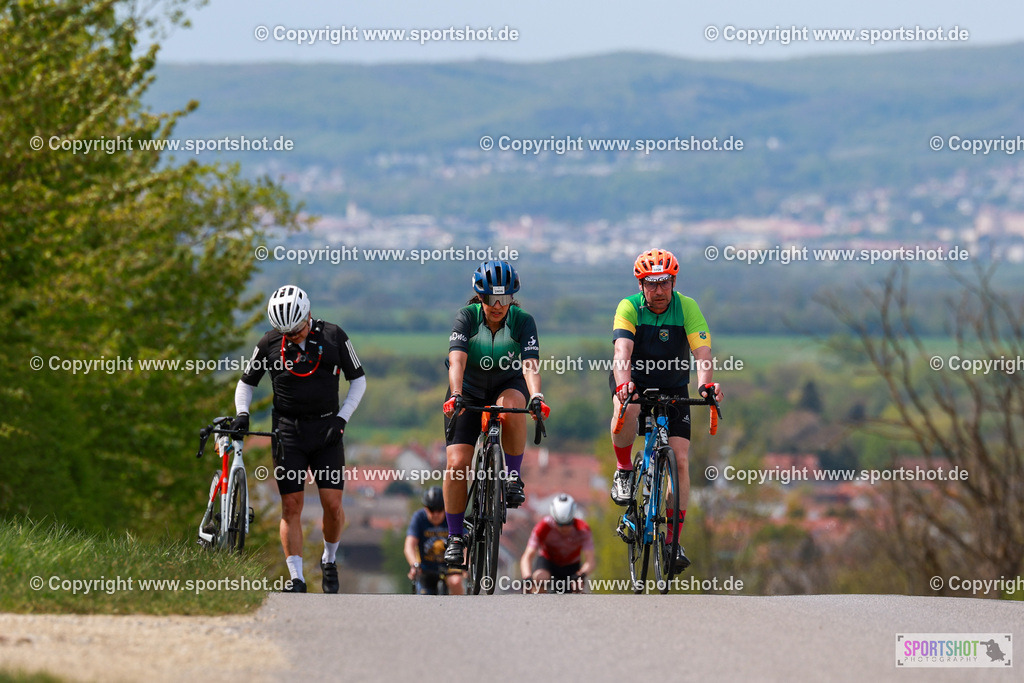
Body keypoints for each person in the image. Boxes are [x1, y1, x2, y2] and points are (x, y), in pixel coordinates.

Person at [232, 285, 366, 593]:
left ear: (308, 315)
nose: (293, 337)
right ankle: (297, 578)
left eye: (297, 331)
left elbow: (358, 380)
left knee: (332, 504)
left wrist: (341, 418)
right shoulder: (269, 342)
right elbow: (246, 384)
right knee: (291, 505)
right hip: (288, 432)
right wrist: (243, 413)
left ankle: (329, 559)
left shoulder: (334, 336)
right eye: (287, 334)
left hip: (326, 431)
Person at [608, 249, 723, 573]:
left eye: (664, 284)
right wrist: (623, 386)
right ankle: (624, 470)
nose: (658, 291)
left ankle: (672, 543)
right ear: (641, 285)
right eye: (651, 284)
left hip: (673, 388)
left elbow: (702, 352)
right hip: (635, 382)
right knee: (627, 409)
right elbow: (622, 351)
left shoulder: (687, 306)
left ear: (673, 282)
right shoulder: (629, 307)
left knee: (681, 460)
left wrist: (705, 386)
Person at [441, 260, 550, 565]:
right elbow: (457, 360)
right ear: (480, 297)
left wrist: (537, 395)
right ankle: (454, 536)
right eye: (491, 299)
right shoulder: (467, 318)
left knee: (514, 405)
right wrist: (458, 394)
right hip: (468, 388)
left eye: (504, 299)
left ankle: (513, 478)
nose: (498, 306)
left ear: (512, 298)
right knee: (457, 463)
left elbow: (530, 364)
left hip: (507, 384)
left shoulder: (523, 321)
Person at [519, 494, 594, 593]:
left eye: (568, 523)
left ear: (573, 519)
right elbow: (528, 556)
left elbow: (590, 560)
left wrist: (581, 574)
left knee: (578, 585)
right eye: (559, 524)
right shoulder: (543, 526)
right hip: (548, 562)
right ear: (554, 518)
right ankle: (537, 605)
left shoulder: (582, 528)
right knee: (539, 578)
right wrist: (527, 578)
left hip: (571, 566)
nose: (564, 528)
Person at [404, 486, 464, 595]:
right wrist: (414, 564)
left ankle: (459, 609)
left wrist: (464, 565)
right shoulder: (419, 517)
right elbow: (409, 545)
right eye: (431, 509)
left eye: (439, 509)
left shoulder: (452, 518)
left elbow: (465, 543)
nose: (435, 514)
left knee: (455, 582)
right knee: (424, 598)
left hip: (450, 569)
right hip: (426, 569)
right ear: (425, 508)